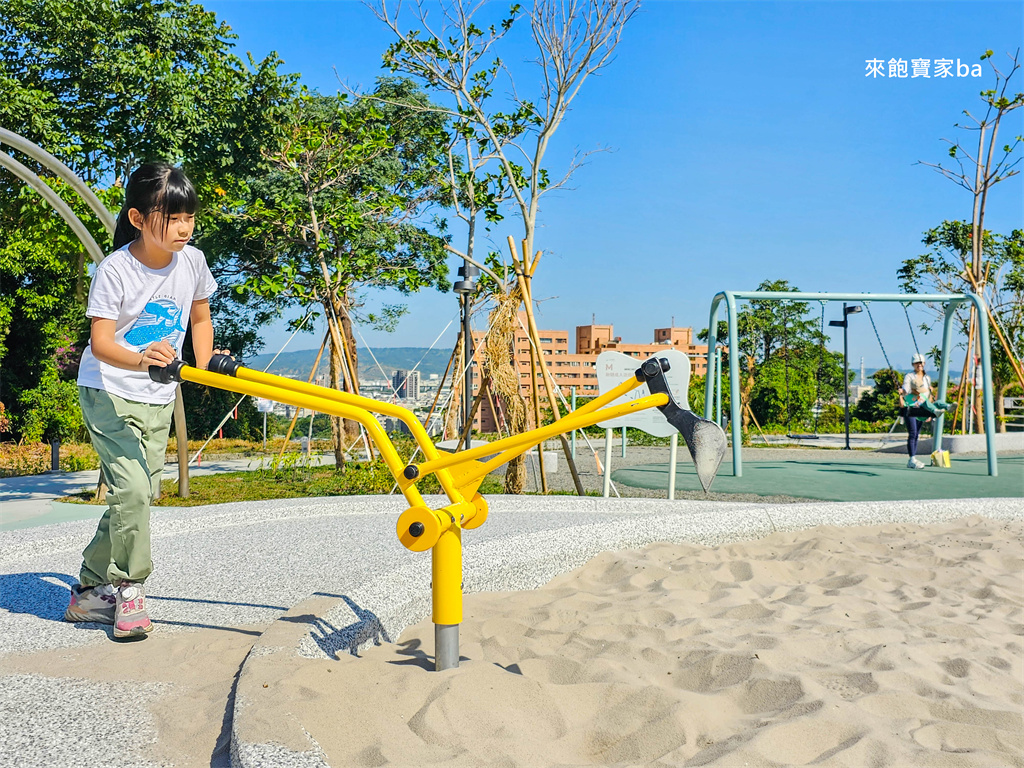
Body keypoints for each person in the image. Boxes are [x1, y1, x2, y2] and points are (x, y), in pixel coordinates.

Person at [64, 163, 222, 639]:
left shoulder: (192, 261)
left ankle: (88, 592)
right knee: (132, 491)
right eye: (171, 218)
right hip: (109, 391)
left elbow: (199, 319)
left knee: (138, 496)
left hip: (157, 394)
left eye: (189, 217)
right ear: (137, 218)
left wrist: (209, 362)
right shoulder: (116, 269)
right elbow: (101, 344)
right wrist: (143, 360)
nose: (184, 228)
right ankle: (129, 589)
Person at [901, 352, 951, 469]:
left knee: (917, 433)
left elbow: (928, 395)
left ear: (924, 364)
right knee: (913, 433)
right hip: (911, 406)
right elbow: (906, 389)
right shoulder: (909, 376)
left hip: (922, 405)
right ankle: (912, 458)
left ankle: (943, 408)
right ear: (913, 364)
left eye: (921, 363)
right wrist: (904, 391)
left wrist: (928, 412)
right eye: (917, 363)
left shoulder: (926, 378)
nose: (919, 365)